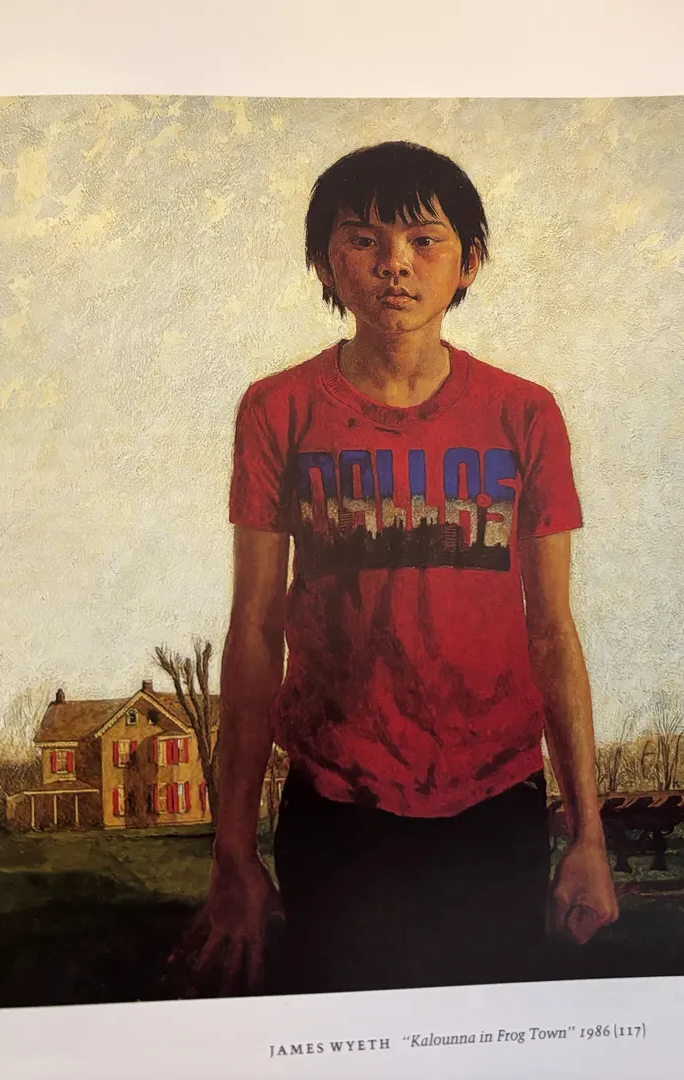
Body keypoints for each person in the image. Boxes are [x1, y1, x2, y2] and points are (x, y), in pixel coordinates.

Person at [176, 140, 618, 995]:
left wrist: (588, 838)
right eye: (363, 240)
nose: (395, 265)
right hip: (337, 807)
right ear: (324, 263)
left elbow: (552, 631)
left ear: (469, 262)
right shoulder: (277, 411)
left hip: (496, 802)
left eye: (424, 240)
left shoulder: (525, 415)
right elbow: (255, 630)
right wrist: (232, 850)